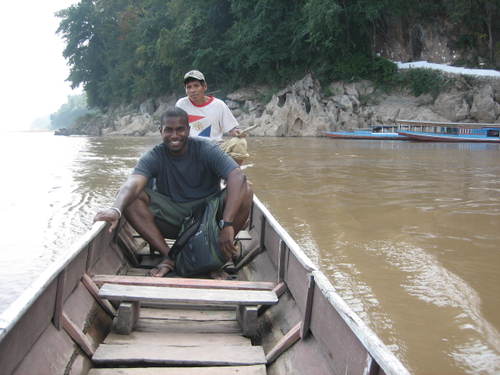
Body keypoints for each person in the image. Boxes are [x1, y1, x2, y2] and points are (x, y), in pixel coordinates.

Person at [93, 107, 253, 277]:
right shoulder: (154, 156)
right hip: (172, 220)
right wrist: (115, 209)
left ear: (188, 130)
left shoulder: (206, 149)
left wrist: (227, 224)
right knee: (131, 198)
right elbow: (132, 183)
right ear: (161, 131)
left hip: (207, 219)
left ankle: (219, 255)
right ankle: (170, 256)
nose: (174, 135)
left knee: (246, 189)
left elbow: (236, 175)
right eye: (168, 130)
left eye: (180, 129)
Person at [176, 70, 245, 140]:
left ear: (205, 86)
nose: (192, 90)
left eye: (196, 86)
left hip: (214, 147)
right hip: (190, 147)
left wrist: (236, 131)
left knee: (240, 142)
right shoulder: (181, 104)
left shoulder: (219, 105)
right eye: (189, 87)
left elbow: (232, 129)